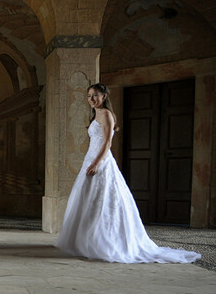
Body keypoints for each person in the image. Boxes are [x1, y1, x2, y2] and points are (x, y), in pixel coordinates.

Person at [55, 83, 201, 264]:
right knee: (88, 199)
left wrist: (96, 163)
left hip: (100, 162)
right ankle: (87, 240)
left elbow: (107, 143)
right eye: (89, 96)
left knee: (103, 199)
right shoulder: (96, 114)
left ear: (104, 96)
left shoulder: (106, 114)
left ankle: (104, 242)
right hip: (90, 158)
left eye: (95, 95)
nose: (91, 99)